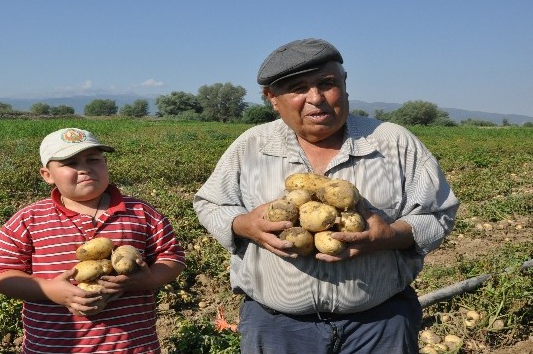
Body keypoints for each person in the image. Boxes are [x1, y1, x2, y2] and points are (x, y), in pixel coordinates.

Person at [193, 38, 459, 353]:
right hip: (278, 328)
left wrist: (388, 236)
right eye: (297, 88)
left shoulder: (394, 142)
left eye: (327, 83)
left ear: (344, 84)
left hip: (379, 325)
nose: (316, 98)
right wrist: (243, 224)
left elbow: (439, 213)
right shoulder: (250, 145)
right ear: (272, 98)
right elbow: (209, 204)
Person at [0, 127, 186, 353]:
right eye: (70, 163)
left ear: (106, 163)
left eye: (93, 159)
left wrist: (146, 280)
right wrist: (50, 290)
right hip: (53, 346)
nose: (85, 169)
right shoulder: (29, 218)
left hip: (132, 346)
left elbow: (172, 257)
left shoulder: (141, 212)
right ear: (47, 175)